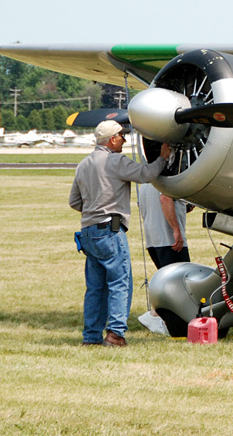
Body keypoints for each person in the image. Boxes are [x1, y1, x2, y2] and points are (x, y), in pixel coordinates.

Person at [70, 120, 172, 346]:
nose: (124, 140)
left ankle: (91, 337)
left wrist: (94, 209)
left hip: (88, 232)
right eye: (122, 136)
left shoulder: (84, 164)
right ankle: (116, 334)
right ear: (113, 139)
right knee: (120, 282)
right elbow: (146, 174)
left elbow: (74, 201)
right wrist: (163, 157)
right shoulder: (115, 161)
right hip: (110, 229)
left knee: (96, 288)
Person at [138, 182, 191, 269]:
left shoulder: (146, 181)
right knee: (179, 279)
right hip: (169, 240)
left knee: (166, 279)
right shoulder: (167, 176)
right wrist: (176, 229)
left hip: (153, 241)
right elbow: (165, 199)